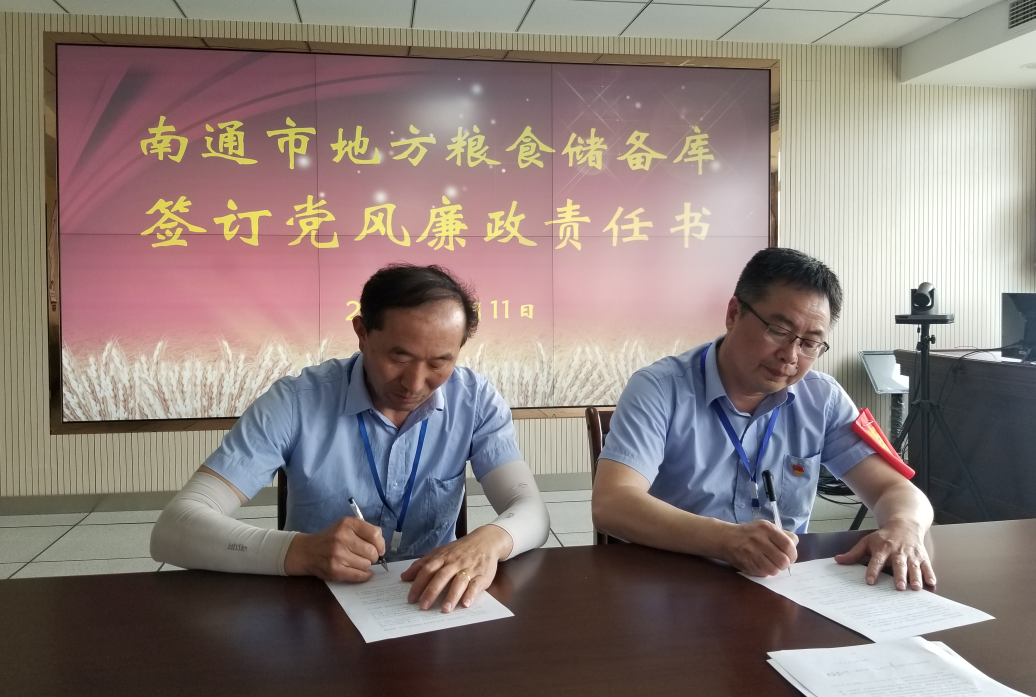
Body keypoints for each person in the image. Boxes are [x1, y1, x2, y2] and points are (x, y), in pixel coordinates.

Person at [151, 264, 550, 613]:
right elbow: (174, 529)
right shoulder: (296, 402)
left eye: (439, 362)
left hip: (429, 603)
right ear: (361, 333)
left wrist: (491, 540)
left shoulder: (475, 401)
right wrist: (299, 551)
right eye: (398, 357)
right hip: (315, 604)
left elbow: (530, 509)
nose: (414, 384)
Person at [592, 247, 935, 591]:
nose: (790, 355)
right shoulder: (660, 388)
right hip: (673, 585)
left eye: (810, 344)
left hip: (782, 588)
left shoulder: (822, 398)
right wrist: (724, 540)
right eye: (778, 330)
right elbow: (612, 502)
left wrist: (905, 526)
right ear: (733, 313)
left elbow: (895, 489)